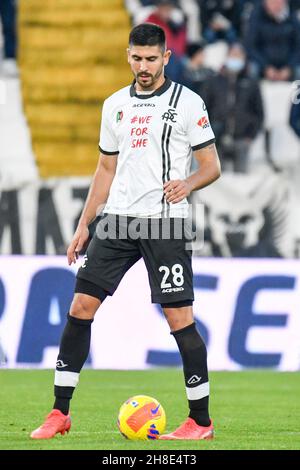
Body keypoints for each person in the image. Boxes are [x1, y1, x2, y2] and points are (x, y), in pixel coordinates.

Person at [30, 23, 221, 441]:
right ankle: (59, 413)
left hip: (165, 223)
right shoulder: (115, 104)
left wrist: (187, 184)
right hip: (117, 221)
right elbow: (105, 169)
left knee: (179, 320)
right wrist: (84, 226)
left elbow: (212, 165)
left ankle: (200, 422)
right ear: (128, 56)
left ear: (166, 58)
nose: (144, 66)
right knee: (80, 307)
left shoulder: (187, 103)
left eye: (152, 59)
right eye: (137, 58)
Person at [201, 43, 264, 173]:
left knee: (240, 183)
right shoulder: (214, 81)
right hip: (217, 139)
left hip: (242, 139)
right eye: (232, 54)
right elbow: (203, 108)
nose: (235, 58)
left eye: (238, 55)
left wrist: (250, 135)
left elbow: (259, 112)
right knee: (217, 181)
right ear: (227, 56)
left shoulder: (251, 83)